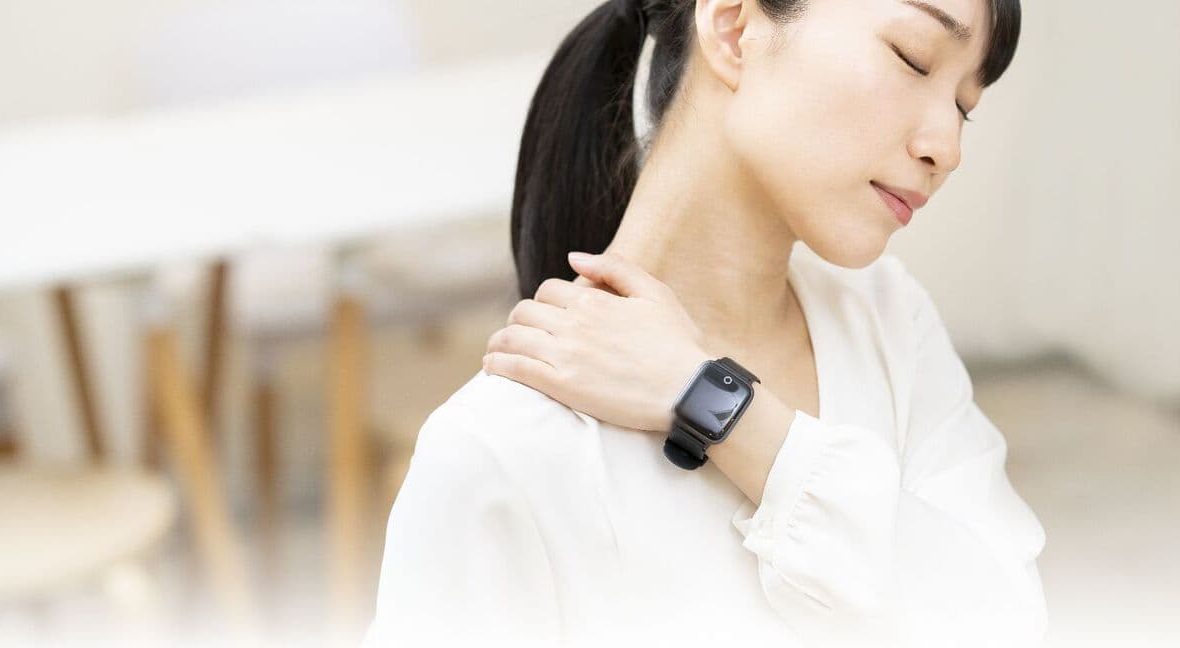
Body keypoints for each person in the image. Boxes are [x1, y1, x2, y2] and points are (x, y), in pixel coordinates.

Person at [365, 0, 1044, 646]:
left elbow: (1009, 623)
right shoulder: (502, 450)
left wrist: (715, 404)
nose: (947, 147)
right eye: (913, 58)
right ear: (732, 29)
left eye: (964, 106)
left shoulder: (888, 324)